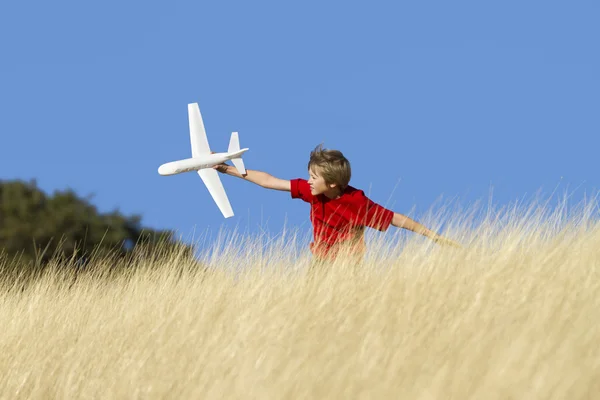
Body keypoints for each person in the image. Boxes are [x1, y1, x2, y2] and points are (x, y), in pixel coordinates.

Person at [213, 144, 460, 263]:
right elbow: (270, 181)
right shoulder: (312, 192)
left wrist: (434, 236)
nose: (308, 181)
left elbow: (397, 219)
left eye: (313, 177)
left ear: (331, 183)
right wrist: (227, 169)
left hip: (348, 263)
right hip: (320, 260)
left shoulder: (357, 202)